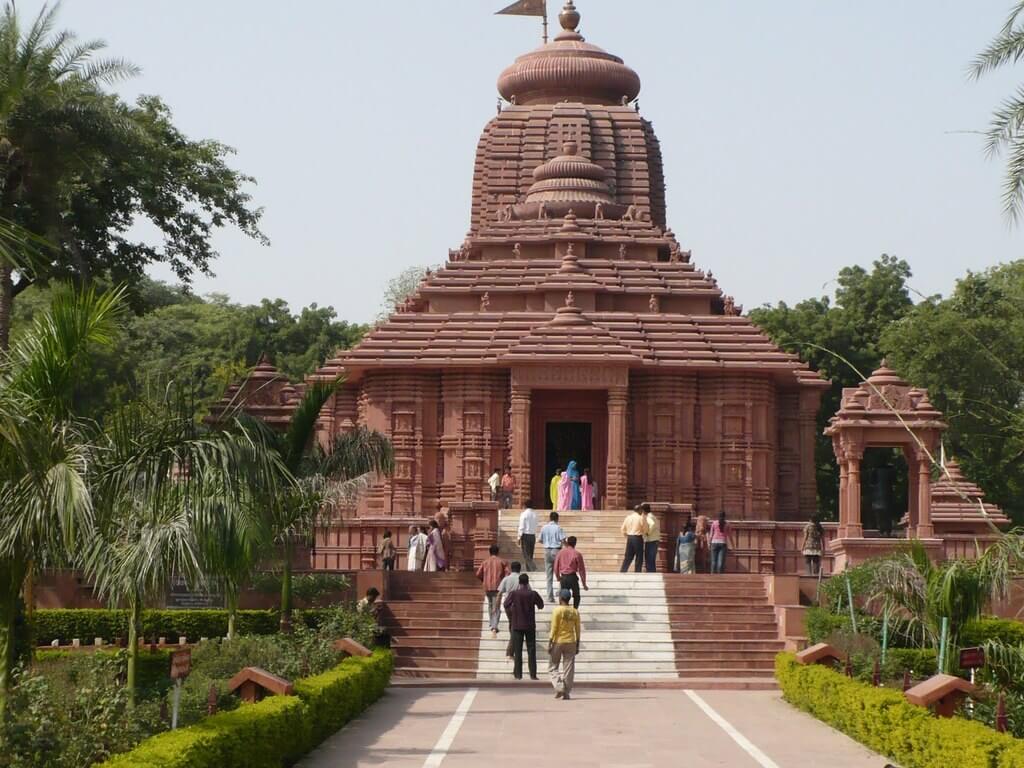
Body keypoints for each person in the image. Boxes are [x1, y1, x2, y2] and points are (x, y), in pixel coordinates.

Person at [503, 573, 544, 680]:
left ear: (519, 583)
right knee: (531, 650)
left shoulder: (514, 594)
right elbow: (541, 605)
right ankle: (533, 674)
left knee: (518, 650)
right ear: (527, 582)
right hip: (530, 625)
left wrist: (513, 610)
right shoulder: (533, 594)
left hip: (517, 625)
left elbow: (506, 604)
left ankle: (518, 674)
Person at [548, 588, 581, 700]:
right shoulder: (575, 611)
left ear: (561, 598)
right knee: (569, 668)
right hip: (571, 640)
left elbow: (554, 627)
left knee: (553, 666)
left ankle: (559, 686)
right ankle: (566, 692)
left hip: (558, 640)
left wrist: (550, 641)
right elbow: (578, 629)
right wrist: (578, 643)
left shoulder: (557, 610)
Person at [476, 544, 510, 636]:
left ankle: (492, 622)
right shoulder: (502, 562)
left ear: (489, 552)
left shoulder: (485, 562)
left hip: (487, 587)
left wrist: (484, 580)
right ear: (497, 552)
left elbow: (478, 574)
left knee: (490, 605)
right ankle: (494, 626)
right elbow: (508, 573)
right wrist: (503, 582)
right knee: (497, 606)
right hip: (498, 587)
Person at [554, 535, 588, 609]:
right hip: (572, 577)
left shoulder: (560, 553)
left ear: (567, 542)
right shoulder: (577, 554)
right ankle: (575, 610)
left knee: (563, 595)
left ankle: (562, 610)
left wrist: (558, 577)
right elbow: (581, 570)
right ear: (575, 543)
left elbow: (556, 566)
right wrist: (584, 583)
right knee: (576, 595)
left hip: (563, 577)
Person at [539, 511, 566, 601]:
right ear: (557, 519)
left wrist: (546, 542)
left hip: (547, 550)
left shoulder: (544, 527)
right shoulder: (558, 528)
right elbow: (562, 540)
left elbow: (540, 540)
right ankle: (560, 591)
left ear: (550, 518)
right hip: (557, 550)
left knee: (549, 575)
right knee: (561, 572)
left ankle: (550, 596)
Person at [498, 561, 522, 649]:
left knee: (511, 622)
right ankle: (510, 648)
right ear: (520, 569)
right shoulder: (521, 578)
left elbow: (499, 593)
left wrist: (496, 607)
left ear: (511, 569)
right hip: (517, 605)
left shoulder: (506, 579)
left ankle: (512, 639)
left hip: (507, 605)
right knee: (514, 624)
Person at [620, 504, 649, 572]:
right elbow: (646, 529)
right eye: (641, 510)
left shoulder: (628, 517)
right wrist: (645, 533)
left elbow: (622, 529)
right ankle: (637, 572)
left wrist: (627, 536)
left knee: (628, 556)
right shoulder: (641, 517)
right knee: (639, 557)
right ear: (639, 510)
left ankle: (623, 571)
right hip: (637, 538)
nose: (642, 511)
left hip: (630, 538)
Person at [517, 501, 538, 571]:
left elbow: (521, 526)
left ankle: (533, 567)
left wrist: (519, 537)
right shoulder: (535, 514)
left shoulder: (524, 514)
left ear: (525, 506)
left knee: (526, 554)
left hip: (525, 535)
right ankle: (528, 570)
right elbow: (536, 525)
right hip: (532, 535)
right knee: (530, 554)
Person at [643, 506, 660, 572]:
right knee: (651, 559)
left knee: (649, 558)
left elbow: (652, 524)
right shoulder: (653, 516)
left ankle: (650, 572)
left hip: (651, 540)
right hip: (654, 540)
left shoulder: (649, 517)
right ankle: (652, 572)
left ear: (644, 511)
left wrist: (648, 532)